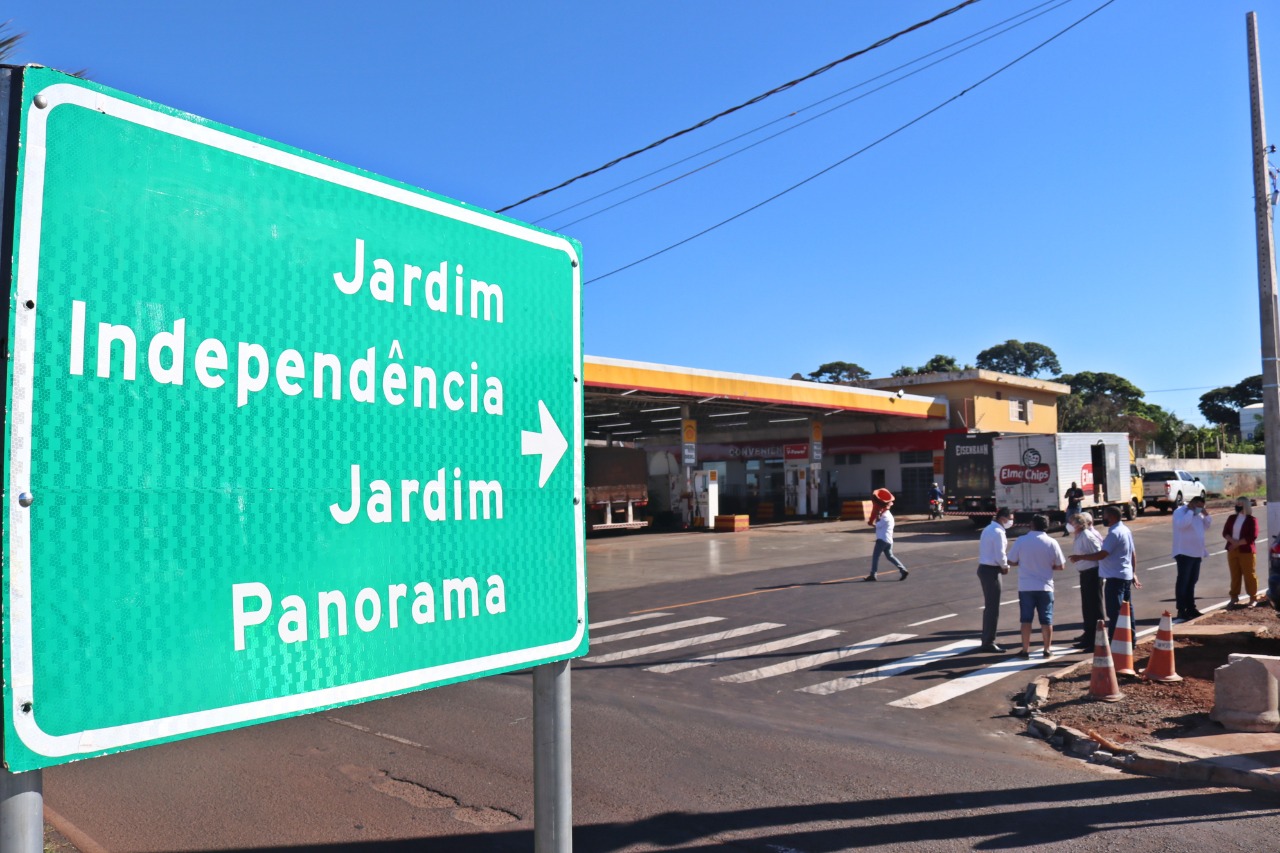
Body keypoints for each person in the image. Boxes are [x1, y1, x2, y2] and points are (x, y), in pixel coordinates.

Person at [1073, 505, 1141, 638]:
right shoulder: (1125, 530)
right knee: (1127, 610)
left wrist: (1080, 557)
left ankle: (1115, 640)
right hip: (1125, 575)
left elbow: (1102, 554)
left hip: (1115, 578)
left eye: (1104, 515)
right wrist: (1133, 572)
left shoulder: (1114, 533)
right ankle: (1130, 639)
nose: (1103, 518)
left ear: (1112, 517)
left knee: (1115, 612)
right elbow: (1132, 553)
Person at [1007, 514, 1065, 659]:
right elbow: (1060, 566)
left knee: (1026, 620)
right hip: (1045, 586)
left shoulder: (1021, 540)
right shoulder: (1052, 542)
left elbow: (1011, 561)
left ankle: (1025, 649)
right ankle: (1047, 649)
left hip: (1026, 586)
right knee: (1046, 619)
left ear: (1032, 525)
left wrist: (1023, 563)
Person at [976, 508, 1013, 653]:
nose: (1011, 521)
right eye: (1010, 518)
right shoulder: (999, 532)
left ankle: (987, 638)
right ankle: (988, 641)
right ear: (1003, 518)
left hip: (984, 568)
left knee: (990, 607)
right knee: (993, 608)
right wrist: (1005, 567)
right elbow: (1000, 554)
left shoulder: (988, 528)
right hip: (992, 570)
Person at [1068, 512, 1106, 650]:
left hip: (1093, 573)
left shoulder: (1087, 536)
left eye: (1072, 523)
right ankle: (1089, 636)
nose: (1070, 526)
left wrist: (1080, 557)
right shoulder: (1079, 536)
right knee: (1087, 607)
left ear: (1078, 524)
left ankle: (1098, 639)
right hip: (1085, 573)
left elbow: (1099, 554)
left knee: (1094, 607)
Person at [1171, 495, 1211, 622]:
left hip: (1197, 553)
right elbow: (1182, 525)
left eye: (1202, 507)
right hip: (1184, 553)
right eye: (1199, 506)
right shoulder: (1180, 512)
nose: (1200, 509)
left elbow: (1207, 526)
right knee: (1183, 582)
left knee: (1192, 581)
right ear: (1193, 504)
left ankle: (1191, 608)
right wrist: (1189, 511)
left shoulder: (1198, 514)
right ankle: (1181, 610)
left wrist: (1205, 514)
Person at [1223, 498, 1261, 607]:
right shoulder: (1232, 518)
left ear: (1245, 506)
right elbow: (1225, 532)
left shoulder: (1252, 520)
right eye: (1236, 504)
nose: (1237, 506)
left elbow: (1252, 536)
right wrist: (1232, 542)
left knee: (1249, 575)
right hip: (1232, 550)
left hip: (1246, 551)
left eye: (1240, 504)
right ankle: (1234, 597)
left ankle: (1253, 598)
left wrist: (1237, 543)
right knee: (1235, 574)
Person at [865, 495, 909, 581]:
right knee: (890, 556)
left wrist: (874, 519)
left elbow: (878, 525)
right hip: (889, 540)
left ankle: (873, 575)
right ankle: (903, 569)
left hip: (882, 539)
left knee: (875, 557)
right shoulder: (890, 516)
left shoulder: (884, 517)